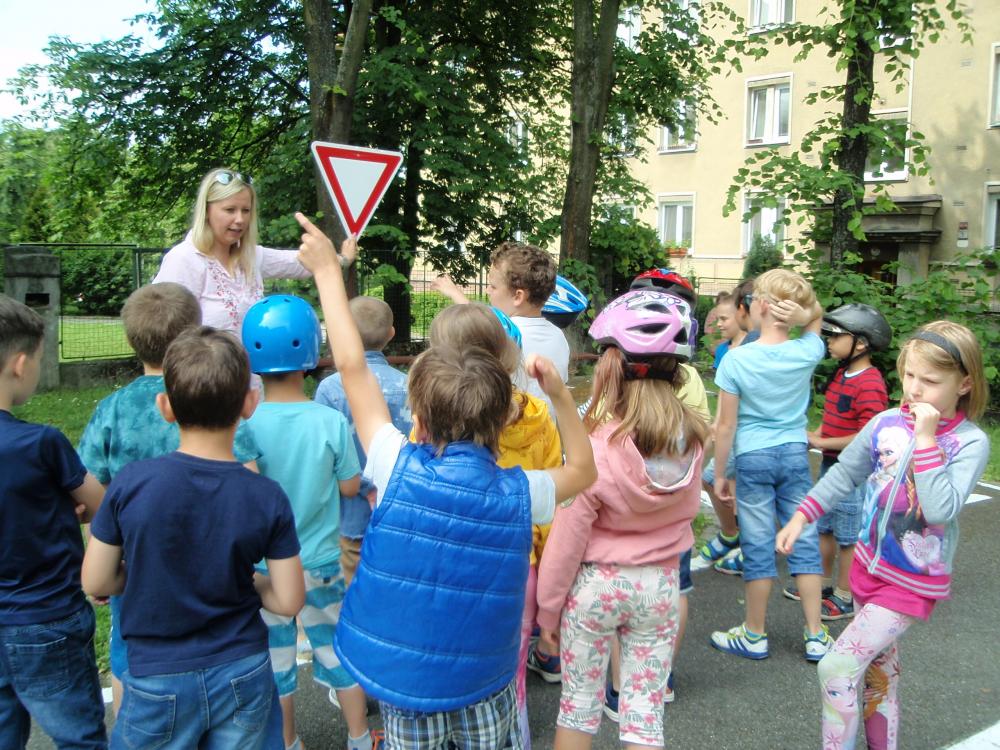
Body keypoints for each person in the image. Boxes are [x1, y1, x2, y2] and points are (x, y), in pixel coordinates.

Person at [294, 212, 597, 750]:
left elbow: (352, 367)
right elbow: (583, 470)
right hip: (486, 683)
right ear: (503, 417)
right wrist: (560, 395)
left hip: (407, 687)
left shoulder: (394, 463)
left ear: (418, 414)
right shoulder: (520, 492)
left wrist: (327, 274)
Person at [82, 326, 306, 749]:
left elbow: (95, 580)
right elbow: (289, 599)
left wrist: (137, 572)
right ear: (249, 403)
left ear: (165, 407)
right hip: (241, 668)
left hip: (156, 674)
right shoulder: (266, 495)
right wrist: (253, 582)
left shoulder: (130, 484)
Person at [776, 320, 990, 750]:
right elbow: (844, 475)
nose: (915, 389)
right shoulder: (885, 423)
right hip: (868, 569)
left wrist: (926, 441)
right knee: (879, 676)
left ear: (964, 384)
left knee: (836, 668)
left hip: (910, 581)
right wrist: (803, 515)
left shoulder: (970, 442)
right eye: (909, 375)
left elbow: (939, 509)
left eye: (931, 381)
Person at [77, 282, 262, 715]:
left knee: (128, 660)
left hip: (137, 566)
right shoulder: (215, 396)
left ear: (132, 339)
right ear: (193, 332)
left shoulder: (112, 409)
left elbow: (89, 494)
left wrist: (104, 556)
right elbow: (248, 476)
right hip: (217, 565)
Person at [536, 288, 710, 749]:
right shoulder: (693, 440)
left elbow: (568, 539)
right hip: (660, 587)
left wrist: (548, 610)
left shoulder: (595, 448)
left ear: (611, 367)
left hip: (596, 588)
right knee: (644, 713)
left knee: (578, 707)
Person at [242, 295, 380, 750]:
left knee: (277, 661)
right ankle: (359, 737)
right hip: (320, 562)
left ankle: (288, 742)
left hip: (265, 568)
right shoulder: (329, 420)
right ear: (310, 355)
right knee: (338, 650)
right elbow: (349, 486)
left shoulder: (245, 426)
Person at [427, 303, 563, 750]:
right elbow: (558, 490)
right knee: (510, 670)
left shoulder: (433, 419)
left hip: (448, 561)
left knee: (446, 658)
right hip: (518, 564)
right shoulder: (537, 414)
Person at [0, 295, 107, 750]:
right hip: (45, 616)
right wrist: (69, 507)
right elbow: (100, 506)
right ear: (20, 364)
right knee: (79, 736)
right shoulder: (41, 443)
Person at [709, 269, 832, 662]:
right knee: (804, 538)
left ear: (760, 306)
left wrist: (721, 473)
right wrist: (804, 313)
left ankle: (754, 634)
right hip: (794, 453)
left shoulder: (736, 360)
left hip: (752, 457)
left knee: (758, 544)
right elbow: (816, 315)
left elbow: (726, 426)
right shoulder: (806, 351)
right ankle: (816, 635)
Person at [782, 304, 891, 619]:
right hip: (833, 466)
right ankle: (821, 584)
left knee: (849, 536)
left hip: (855, 473)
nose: (828, 341)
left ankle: (846, 594)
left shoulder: (869, 382)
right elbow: (832, 419)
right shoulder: (842, 374)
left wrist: (820, 442)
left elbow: (869, 436)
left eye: (836, 336)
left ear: (861, 343)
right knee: (824, 527)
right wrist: (814, 434)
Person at [153, 168, 348, 333]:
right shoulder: (183, 259)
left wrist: (343, 258)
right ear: (206, 211)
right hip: (200, 369)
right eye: (230, 210)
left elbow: (302, 262)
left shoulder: (251, 256)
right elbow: (160, 330)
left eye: (245, 210)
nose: (240, 219)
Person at [314, 296, 412, 590]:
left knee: (354, 588)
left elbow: (322, 457)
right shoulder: (409, 385)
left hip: (350, 515)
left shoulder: (329, 389)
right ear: (391, 333)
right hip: (399, 512)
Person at [431, 241, 569, 409]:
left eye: (493, 287)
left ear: (518, 296)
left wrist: (453, 292)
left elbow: (478, 320)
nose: (487, 291)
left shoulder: (504, 334)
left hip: (509, 425)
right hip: (547, 425)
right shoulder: (559, 336)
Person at [711, 291, 745, 370]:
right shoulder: (721, 350)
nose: (718, 324)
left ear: (740, 316)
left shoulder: (753, 346)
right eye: (718, 319)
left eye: (723, 319)